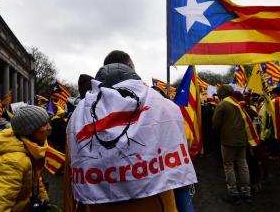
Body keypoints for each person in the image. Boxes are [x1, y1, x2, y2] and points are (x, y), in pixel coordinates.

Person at [65, 50, 197, 212]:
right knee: (181, 190)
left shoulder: (79, 114)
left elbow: (70, 172)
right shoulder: (159, 103)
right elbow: (184, 143)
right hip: (157, 202)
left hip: (97, 205)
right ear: (130, 69)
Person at [0, 105, 52, 211]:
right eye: (44, 124)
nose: (49, 128)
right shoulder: (13, 162)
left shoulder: (30, 149)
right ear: (30, 130)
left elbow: (35, 180)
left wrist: (44, 201)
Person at [212, 84, 251, 204]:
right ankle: (246, 192)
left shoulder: (222, 104)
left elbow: (215, 124)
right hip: (242, 139)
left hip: (228, 140)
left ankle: (233, 193)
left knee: (229, 166)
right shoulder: (238, 103)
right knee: (243, 165)